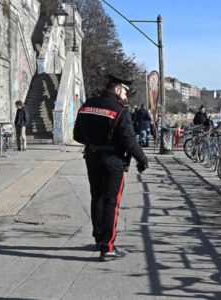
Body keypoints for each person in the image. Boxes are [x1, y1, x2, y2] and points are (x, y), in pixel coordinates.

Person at [73, 74, 148, 262]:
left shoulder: (86, 105)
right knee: (111, 202)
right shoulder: (120, 109)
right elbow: (129, 139)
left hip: (92, 157)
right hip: (113, 160)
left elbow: (77, 136)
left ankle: (99, 239)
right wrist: (142, 158)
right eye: (124, 92)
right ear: (116, 89)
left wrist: (94, 141)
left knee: (96, 197)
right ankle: (108, 247)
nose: (126, 96)